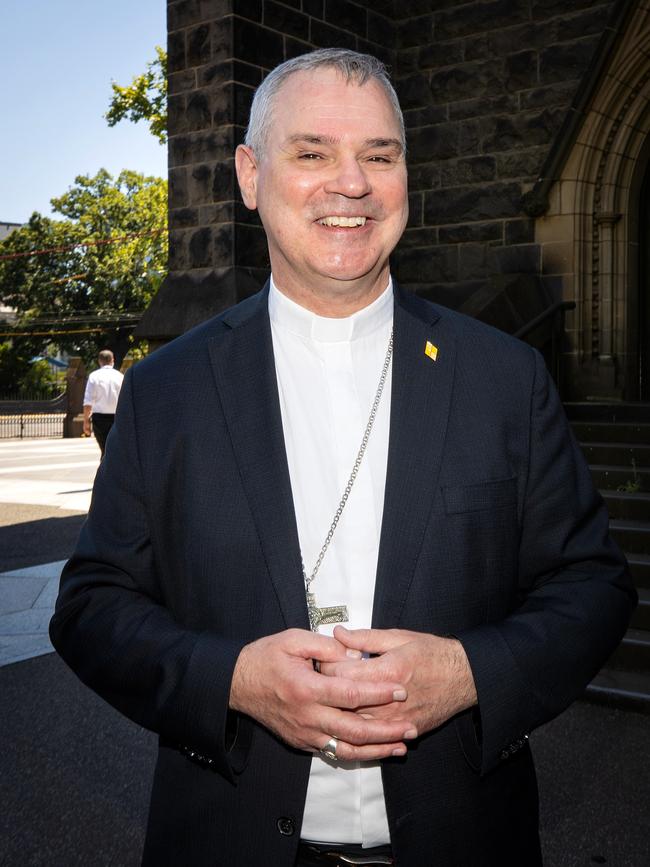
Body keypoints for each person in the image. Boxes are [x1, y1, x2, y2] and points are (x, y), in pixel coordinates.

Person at [50, 49, 636, 867]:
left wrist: (469, 671)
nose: (351, 184)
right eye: (313, 152)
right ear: (250, 175)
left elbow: (594, 585)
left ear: (406, 177)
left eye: (380, 155)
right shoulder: (166, 390)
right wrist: (231, 680)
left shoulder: (504, 376)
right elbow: (90, 607)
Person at [82, 349, 123, 457]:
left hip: (99, 418)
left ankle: (106, 471)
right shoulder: (120, 376)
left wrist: (86, 421)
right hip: (117, 418)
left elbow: (88, 402)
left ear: (99, 361)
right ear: (112, 360)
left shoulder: (94, 376)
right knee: (115, 450)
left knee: (104, 449)